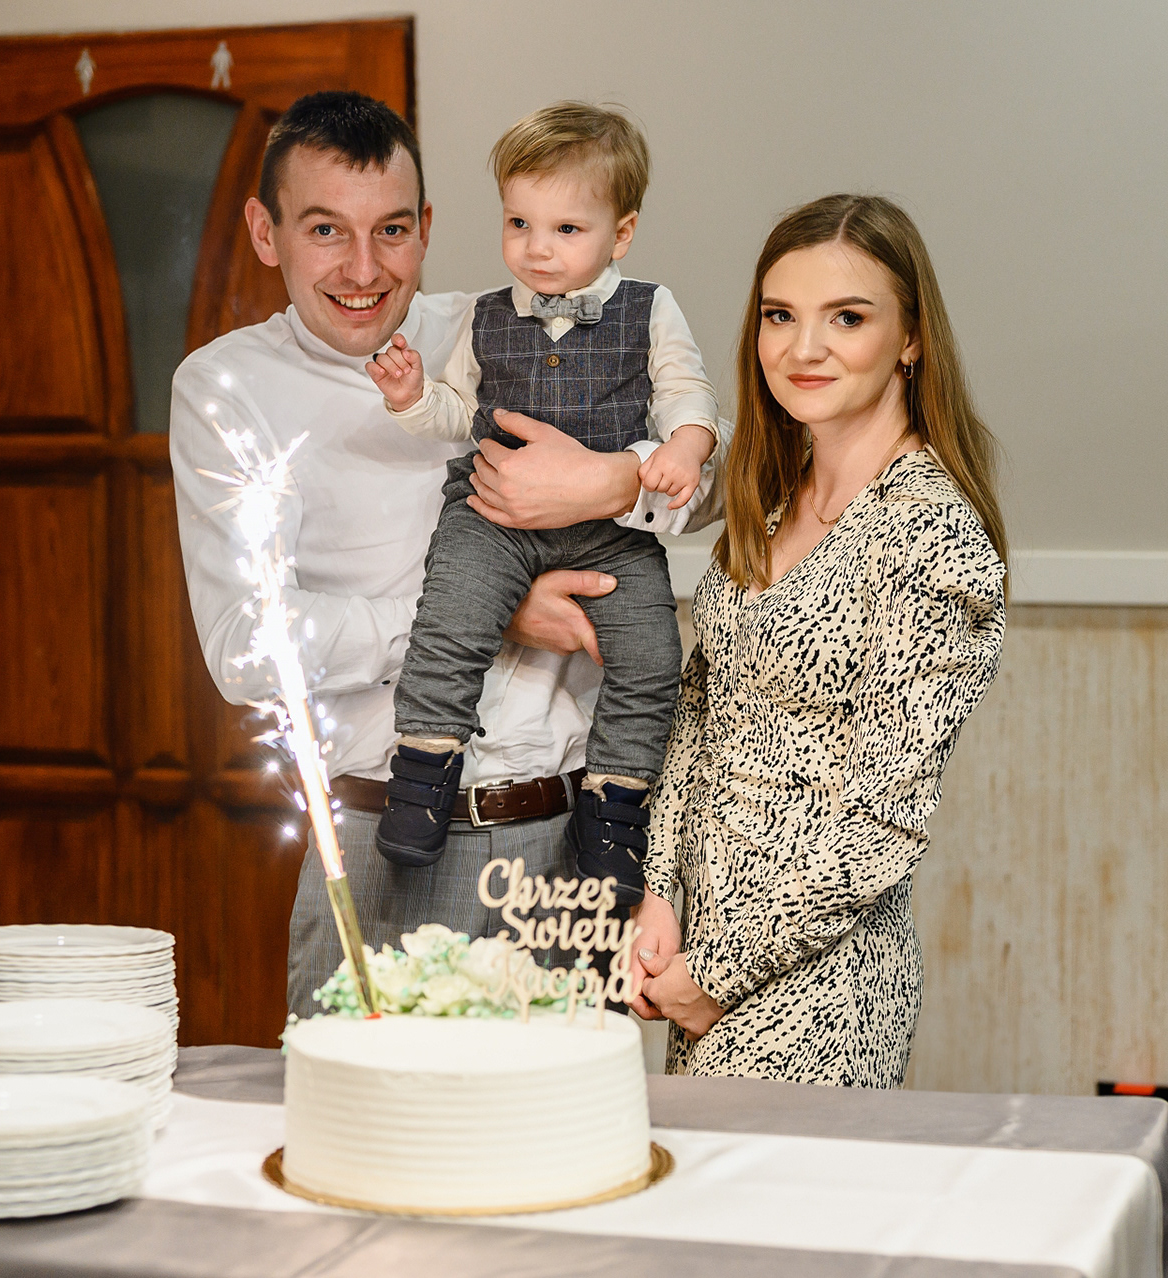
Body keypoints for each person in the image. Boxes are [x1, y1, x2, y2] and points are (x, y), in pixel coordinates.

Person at [167, 92, 722, 1022]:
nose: (363, 268)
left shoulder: (499, 327)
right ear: (267, 233)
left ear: (425, 228)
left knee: (569, 1115)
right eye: (324, 230)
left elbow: (721, 479)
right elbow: (246, 648)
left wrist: (612, 480)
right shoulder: (226, 387)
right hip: (379, 838)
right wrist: (488, 618)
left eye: (391, 230)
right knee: (365, 1112)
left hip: (566, 838)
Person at [630, 194, 1008, 1088]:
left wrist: (716, 977)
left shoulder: (929, 533)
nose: (803, 349)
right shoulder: (772, 494)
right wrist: (659, 892)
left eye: (846, 318)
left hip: (821, 988)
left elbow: (884, 817)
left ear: (911, 339)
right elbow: (704, 708)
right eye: (780, 316)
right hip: (697, 950)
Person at [363, 102, 722, 900]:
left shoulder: (651, 307)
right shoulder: (487, 316)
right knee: (451, 615)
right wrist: (413, 396)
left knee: (651, 655)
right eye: (519, 223)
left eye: (566, 229)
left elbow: (685, 390)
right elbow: (459, 414)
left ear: (620, 234)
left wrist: (685, 445)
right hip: (493, 514)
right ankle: (423, 768)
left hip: (610, 533)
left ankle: (615, 806)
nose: (536, 247)